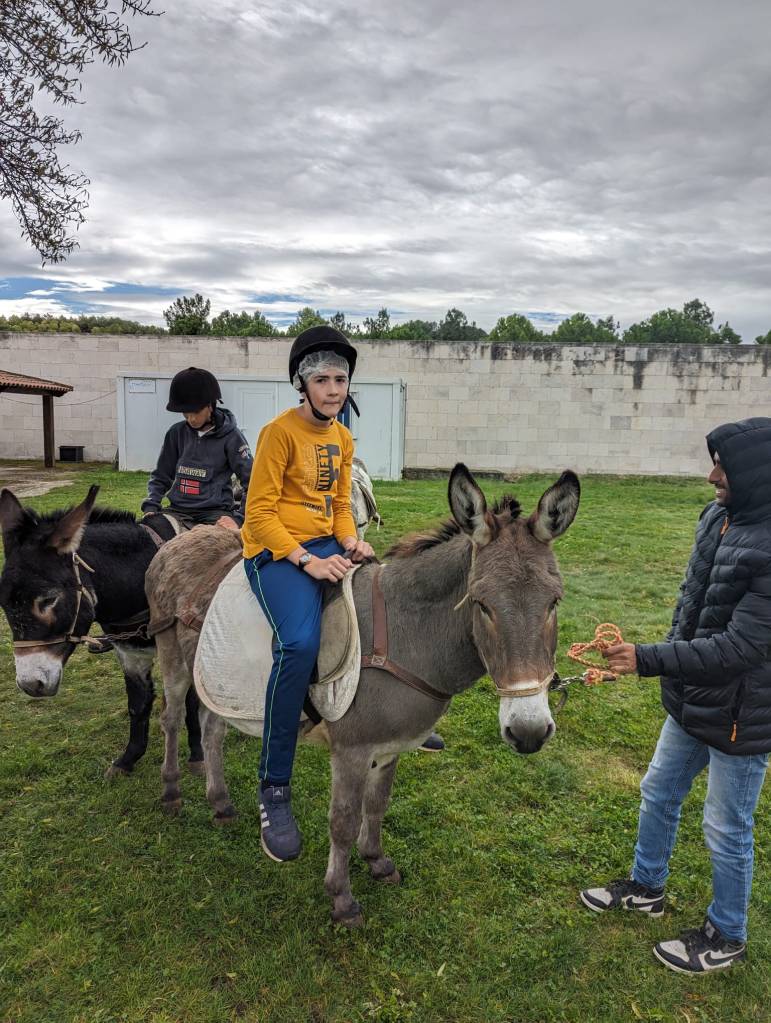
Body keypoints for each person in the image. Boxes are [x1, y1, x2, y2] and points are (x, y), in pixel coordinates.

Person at [580, 417, 771, 974]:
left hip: (741, 715)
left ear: (756, 475)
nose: (712, 476)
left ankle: (727, 934)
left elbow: (740, 648)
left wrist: (648, 659)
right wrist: (665, 661)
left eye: (723, 468)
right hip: (692, 697)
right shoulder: (716, 518)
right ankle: (647, 887)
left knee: (726, 827)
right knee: (658, 790)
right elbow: (692, 602)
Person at [241, 325, 376, 862]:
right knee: (298, 643)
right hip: (274, 550)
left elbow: (339, 503)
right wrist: (307, 560)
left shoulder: (342, 437)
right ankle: (273, 787)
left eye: (340, 379)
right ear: (303, 384)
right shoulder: (278, 434)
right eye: (322, 380)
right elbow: (258, 514)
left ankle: (388, 718)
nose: (333, 389)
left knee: (383, 603)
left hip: (325, 542)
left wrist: (350, 539)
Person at [141, 367, 252, 530]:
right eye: (186, 413)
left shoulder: (232, 437)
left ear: (210, 405)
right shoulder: (176, 433)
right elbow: (161, 475)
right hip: (177, 510)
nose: (191, 419)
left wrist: (239, 518)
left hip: (215, 513)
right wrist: (151, 505)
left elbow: (252, 481)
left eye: (196, 412)